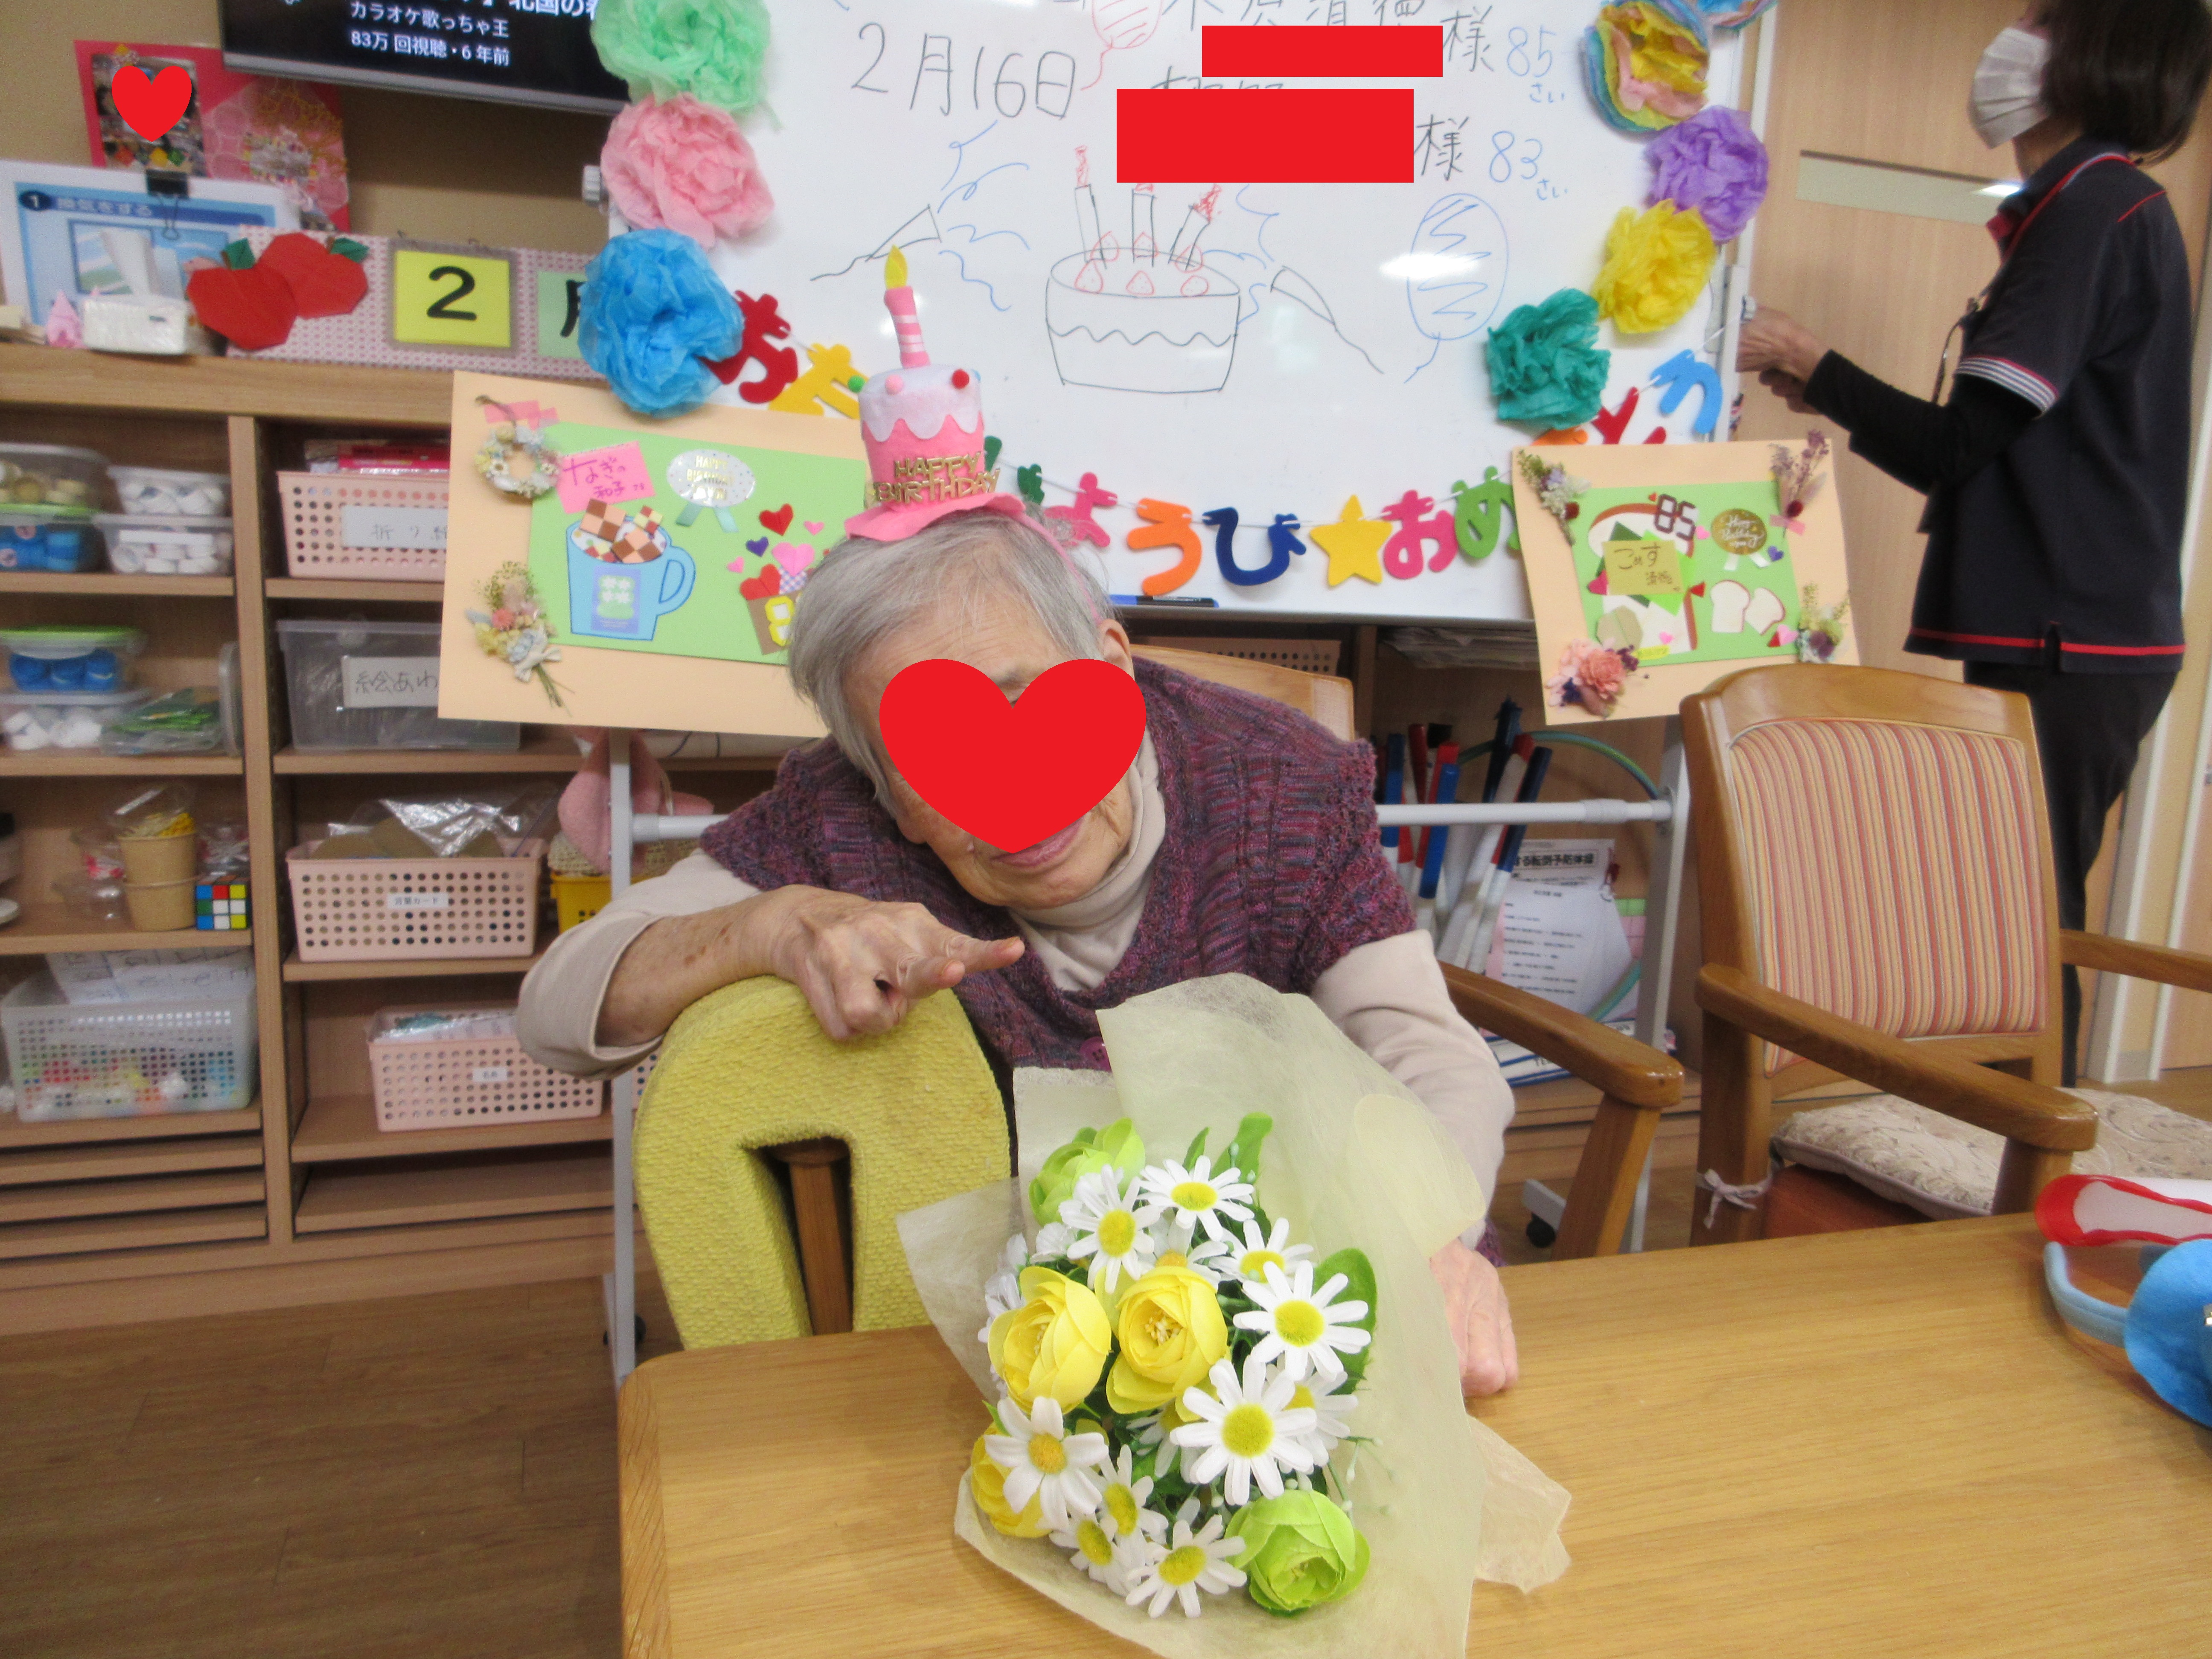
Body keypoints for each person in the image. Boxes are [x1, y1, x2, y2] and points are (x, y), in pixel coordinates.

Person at [1737, 0, 2212, 1081]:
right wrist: (1827, 387)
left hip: (2073, 637)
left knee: (2033, 925)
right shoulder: (2093, 207)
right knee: (2025, 914)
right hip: (2076, 633)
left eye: (2041, 19)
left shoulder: (2095, 209)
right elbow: (1974, 456)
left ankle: (2034, 1155)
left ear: (2094, 53)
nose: (2015, 36)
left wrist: (1816, 363)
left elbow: (1959, 444)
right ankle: (2016, 1144)